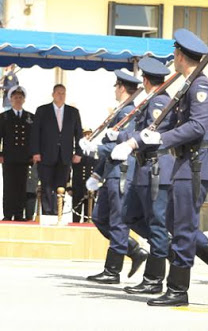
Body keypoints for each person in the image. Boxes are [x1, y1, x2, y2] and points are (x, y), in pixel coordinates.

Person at [113, 29, 208, 306]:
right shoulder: (188, 86)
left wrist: (162, 138)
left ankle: (178, 289)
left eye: (175, 53)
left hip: (197, 163)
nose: (173, 57)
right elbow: (166, 126)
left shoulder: (200, 88)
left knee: (182, 225)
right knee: (174, 220)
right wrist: (134, 143)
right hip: (186, 162)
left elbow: (196, 127)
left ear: (181, 55)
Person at [115, 57, 175, 295]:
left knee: (157, 224)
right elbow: (139, 132)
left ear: (146, 79)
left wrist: (128, 141)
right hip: (144, 168)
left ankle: (154, 279)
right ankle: (163, 246)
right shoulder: (150, 101)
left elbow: (152, 133)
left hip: (156, 168)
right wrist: (117, 137)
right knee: (130, 215)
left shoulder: (160, 102)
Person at [81, 70, 148, 284]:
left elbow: (120, 146)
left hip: (122, 172)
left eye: (116, 86)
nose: (115, 89)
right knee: (100, 218)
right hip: (111, 172)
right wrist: (97, 173)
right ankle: (133, 250)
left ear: (121, 87)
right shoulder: (121, 111)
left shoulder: (129, 112)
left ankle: (112, 271)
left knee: (118, 221)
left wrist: (95, 149)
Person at [30, 84, 83, 215]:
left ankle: (58, 211)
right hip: (46, 154)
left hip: (65, 155)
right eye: (58, 93)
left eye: (63, 93)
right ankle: (48, 212)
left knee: (61, 186)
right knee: (47, 186)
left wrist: (78, 153)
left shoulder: (73, 112)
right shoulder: (42, 111)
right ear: (53, 94)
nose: (61, 95)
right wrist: (35, 152)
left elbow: (79, 134)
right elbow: (35, 132)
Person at [0, 85, 34, 221]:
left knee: (21, 187)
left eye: (20, 97)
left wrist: (33, 154)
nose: (18, 99)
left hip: (24, 158)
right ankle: (7, 214)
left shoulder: (30, 117)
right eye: (15, 97)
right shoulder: (4, 116)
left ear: (24, 100)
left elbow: (34, 138)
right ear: (10, 99)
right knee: (9, 186)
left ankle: (19, 214)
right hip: (9, 158)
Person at [70, 128, 96, 223]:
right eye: (85, 135)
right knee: (76, 211)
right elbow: (70, 169)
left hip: (91, 186)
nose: (87, 137)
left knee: (89, 212)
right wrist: (69, 186)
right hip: (78, 184)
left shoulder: (95, 152)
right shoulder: (76, 152)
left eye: (89, 134)